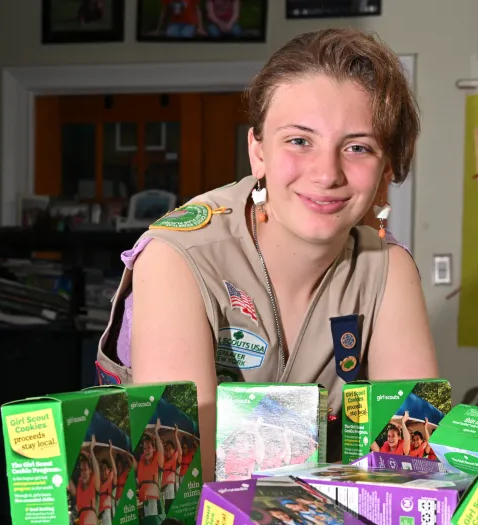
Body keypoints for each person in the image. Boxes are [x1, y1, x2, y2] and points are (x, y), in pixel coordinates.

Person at [96, 29, 436, 483]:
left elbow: (409, 467)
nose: (327, 173)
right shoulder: (177, 259)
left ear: (386, 167)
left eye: (357, 147)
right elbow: (185, 480)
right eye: (299, 140)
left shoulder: (388, 269)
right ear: (258, 151)